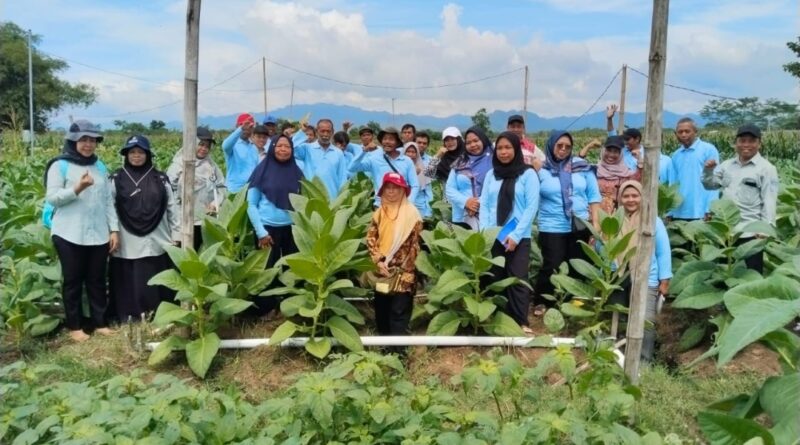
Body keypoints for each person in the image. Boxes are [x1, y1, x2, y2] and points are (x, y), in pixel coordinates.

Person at [44, 120, 118, 341]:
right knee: (73, 281)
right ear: (72, 141)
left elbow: (107, 201)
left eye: (92, 140)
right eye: (83, 139)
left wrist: (113, 229)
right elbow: (52, 198)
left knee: (96, 279)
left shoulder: (100, 166)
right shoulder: (60, 165)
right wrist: (77, 188)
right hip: (68, 233)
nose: (88, 144)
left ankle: (100, 322)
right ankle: (75, 326)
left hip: (97, 234)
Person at [109, 135, 180, 323]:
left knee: (156, 274)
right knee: (130, 277)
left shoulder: (161, 178)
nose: (136, 156)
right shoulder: (117, 178)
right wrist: (112, 231)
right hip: (127, 238)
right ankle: (131, 315)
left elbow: (172, 207)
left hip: (158, 236)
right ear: (126, 155)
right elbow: (109, 208)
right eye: (132, 152)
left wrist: (177, 233)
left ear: (148, 155)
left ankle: (158, 314)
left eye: (141, 152)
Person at [479, 132, 539, 333]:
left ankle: (520, 321)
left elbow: (531, 207)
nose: (504, 152)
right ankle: (498, 320)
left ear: (516, 149)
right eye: (500, 148)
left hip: (518, 236)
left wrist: (515, 236)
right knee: (494, 277)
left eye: (508, 148)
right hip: (494, 234)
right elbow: (485, 205)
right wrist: (486, 233)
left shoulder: (527, 174)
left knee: (518, 278)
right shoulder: (491, 174)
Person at [535, 130, 601, 314]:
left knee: (578, 262)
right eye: (559, 145)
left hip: (580, 223)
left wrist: (595, 222)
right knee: (552, 263)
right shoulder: (542, 170)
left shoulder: (582, 167)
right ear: (551, 146)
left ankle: (574, 302)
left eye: (567, 147)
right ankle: (543, 300)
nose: (563, 150)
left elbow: (593, 196)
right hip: (551, 225)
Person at [701, 124, 778, 273]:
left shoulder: (766, 169)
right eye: (742, 140)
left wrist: (765, 229)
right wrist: (708, 171)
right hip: (726, 232)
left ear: (759, 143)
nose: (746, 145)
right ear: (736, 143)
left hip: (750, 234)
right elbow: (710, 185)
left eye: (751, 141)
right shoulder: (727, 165)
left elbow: (769, 200)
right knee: (724, 274)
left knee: (750, 276)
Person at [611, 180, 672, 361]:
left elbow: (663, 251)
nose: (631, 200)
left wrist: (665, 279)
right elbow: (605, 248)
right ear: (620, 198)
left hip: (647, 277)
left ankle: (644, 363)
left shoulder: (652, 219)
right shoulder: (614, 219)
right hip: (619, 277)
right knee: (620, 319)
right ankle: (619, 359)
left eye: (635, 195)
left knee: (645, 322)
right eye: (626, 196)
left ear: (642, 197)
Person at [246, 134, 304, 315]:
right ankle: (266, 308)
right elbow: (251, 205)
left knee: (292, 268)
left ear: (292, 150)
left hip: (292, 228)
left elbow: (303, 201)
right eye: (279, 146)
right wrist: (261, 232)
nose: (283, 150)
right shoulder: (262, 170)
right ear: (272, 148)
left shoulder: (298, 170)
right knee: (266, 270)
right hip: (267, 229)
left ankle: (291, 307)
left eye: (287, 146)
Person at [365, 172, 423, 341]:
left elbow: (415, 247)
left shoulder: (413, 215)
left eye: (395, 188)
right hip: (382, 270)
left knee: (399, 311)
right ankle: (384, 349)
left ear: (403, 190)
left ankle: (398, 353)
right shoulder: (379, 213)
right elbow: (371, 238)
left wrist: (407, 272)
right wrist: (378, 261)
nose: (391, 192)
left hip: (404, 273)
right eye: (388, 188)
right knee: (381, 309)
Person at [166, 127, 226, 251]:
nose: (204, 149)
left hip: (204, 220)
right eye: (201, 144)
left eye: (207, 146)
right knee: (183, 254)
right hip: (182, 220)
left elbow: (221, 187)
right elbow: (168, 193)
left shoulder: (212, 166)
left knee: (202, 253)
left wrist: (215, 203)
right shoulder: (178, 165)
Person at [348, 127, 419, 207]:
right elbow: (352, 167)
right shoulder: (374, 159)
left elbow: (415, 185)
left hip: (401, 206)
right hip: (381, 206)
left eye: (391, 139)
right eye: (384, 139)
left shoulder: (406, 160)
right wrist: (364, 151)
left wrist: (409, 202)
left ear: (397, 142)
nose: (387, 142)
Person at [605, 104, 674, 185]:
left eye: (628, 139)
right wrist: (609, 119)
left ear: (637, 139)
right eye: (624, 139)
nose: (625, 142)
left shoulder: (648, 154)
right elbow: (612, 137)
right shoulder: (623, 151)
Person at [669, 117, 720, 221]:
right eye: (680, 132)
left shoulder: (708, 149)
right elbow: (673, 183)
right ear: (676, 134)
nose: (683, 135)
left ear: (695, 132)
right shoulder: (676, 155)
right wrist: (670, 211)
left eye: (687, 131)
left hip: (701, 211)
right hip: (679, 212)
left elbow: (714, 181)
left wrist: (710, 209)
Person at [445, 126, 494, 230]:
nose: (473, 145)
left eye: (476, 141)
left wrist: (475, 204)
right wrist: (465, 202)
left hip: (485, 213)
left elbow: (496, 188)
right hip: (461, 212)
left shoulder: (493, 161)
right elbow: (449, 188)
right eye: (468, 142)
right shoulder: (460, 161)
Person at [293, 119, 348, 199]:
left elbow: (342, 178)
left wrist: (342, 198)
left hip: (333, 198)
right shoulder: (307, 148)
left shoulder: (338, 153)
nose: (325, 134)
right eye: (322, 131)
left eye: (328, 131)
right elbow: (292, 149)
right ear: (317, 131)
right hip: (311, 197)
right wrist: (302, 131)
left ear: (332, 132)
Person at [594, 135, 642, 214]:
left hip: (619, 216)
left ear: (620, 154)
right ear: (603, 151)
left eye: (615, 151)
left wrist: (640, 161)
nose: (611, 155)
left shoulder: (626, 174)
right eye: (608, 150)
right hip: (596, 214)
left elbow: (640, 180)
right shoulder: (594, 170)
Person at [221, 113, 258, 194]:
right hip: (235, 191)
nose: (247, 129)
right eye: (244, 125)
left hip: (251, 191)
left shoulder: (254, 147)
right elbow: (225, 146)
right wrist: (241, 129)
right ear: (237, 126)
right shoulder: (233, 145)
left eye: (250, 127)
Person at [403, 141, 433, 218]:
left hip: (419, 206)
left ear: (417, 154)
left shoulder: (422, 169)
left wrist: (428, 212)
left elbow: (428, 192)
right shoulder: (399, 169)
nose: (410, 154)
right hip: (403, 205)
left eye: (413, 152)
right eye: (408, 151)